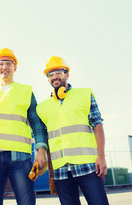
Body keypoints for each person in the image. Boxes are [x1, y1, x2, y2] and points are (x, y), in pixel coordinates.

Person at [0, 48, 48, 205]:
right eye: (1, 64)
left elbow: (37, 123)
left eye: (9, 63)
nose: (5, 67)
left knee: (26, 202)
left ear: (15, 68)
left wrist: (41, 151)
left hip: (20, 158)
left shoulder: (26, 91)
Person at [36, 56, 109, 205]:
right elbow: (48, 140)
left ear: (66, 74)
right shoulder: (42, 108)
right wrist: (51, 173)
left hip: (88, 166)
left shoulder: (85, 95)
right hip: (61, 171)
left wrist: (101, 156)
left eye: (58, 72)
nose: (54, 77)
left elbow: (98, 125)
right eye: (50, 74)